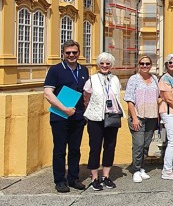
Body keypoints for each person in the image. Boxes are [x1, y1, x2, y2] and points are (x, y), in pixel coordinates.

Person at [43, 39, 90, 193]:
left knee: (75, 149)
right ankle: (60, 180)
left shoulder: (83, 70)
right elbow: (48, 93)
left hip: (77, 116)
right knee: (60, 150)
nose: (71, 55)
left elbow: (86, 93)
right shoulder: (55, 70)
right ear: (63, 53)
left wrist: (86, 111)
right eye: (68, 52)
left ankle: (73, 178)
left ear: (79, 53)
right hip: (60, 116)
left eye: (74, 52)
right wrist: (64, 109)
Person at [83, 52, 123, 190]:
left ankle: (106, 176)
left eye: (107, 63)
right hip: (96, 118)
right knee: (95, 148)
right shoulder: (92, 79)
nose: (105, 66)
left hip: (111, 116)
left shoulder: (115, 79)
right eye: (102, 63)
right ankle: (94, 177)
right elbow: (86, 96)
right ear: (98, 64)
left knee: (110, 147)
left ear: (111, 65)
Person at [125, 54, 159, 183]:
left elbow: (160, 97)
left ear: (151, 65)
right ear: (138, 65)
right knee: (138, 144)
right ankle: (136, 169)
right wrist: (134, 118)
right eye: (142, 64)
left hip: (151, 116)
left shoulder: (155, 78)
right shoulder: (134, 79)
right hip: (138, 116)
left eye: (147, 64)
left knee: (146, 144)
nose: (144, 66)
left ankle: (141, 167)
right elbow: (129, 99)